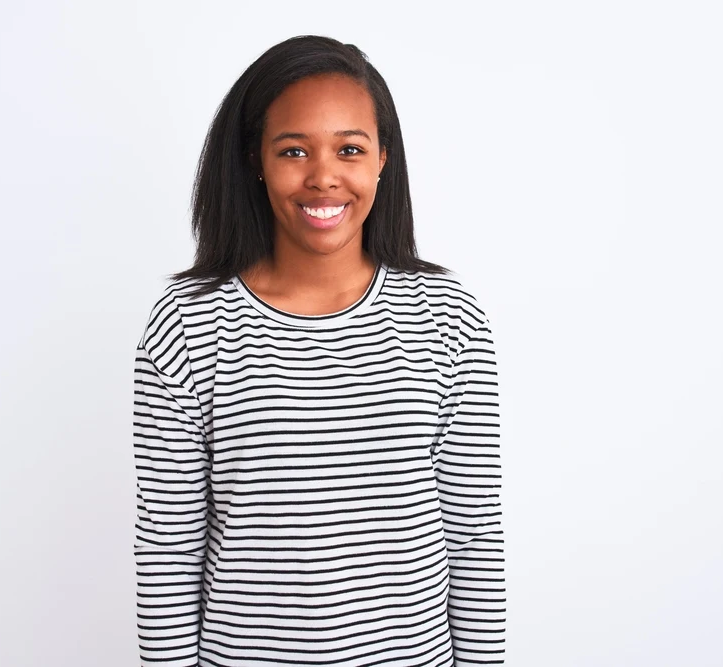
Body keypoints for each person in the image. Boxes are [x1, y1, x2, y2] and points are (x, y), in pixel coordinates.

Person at [132, 35, 505, 666]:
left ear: (384, 158)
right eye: (294, 150)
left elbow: (473, 539)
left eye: (350, 149)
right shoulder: (189, 327)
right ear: (256, 158)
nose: (323, 175)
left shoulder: (447, 320)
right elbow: (168, 552)